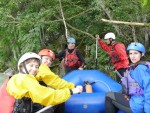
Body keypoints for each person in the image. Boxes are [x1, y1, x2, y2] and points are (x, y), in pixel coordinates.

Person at [4, 52, 82, 113]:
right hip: (21, 109)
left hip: (24, 107)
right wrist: (71, 91)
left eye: (36, 67)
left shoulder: (18, 77)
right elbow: (46, 95)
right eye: (31, 65)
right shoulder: (24, 79)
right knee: (57, 103)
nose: (34, 69)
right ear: (21, 66)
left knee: (57, 103)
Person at [105, 42, 150, 113]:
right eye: (130, 53)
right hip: (135, 100)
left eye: (136, 53)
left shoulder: (141, 69)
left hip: (137, 106)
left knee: (108, 96)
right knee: (117, 93)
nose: (133, 56)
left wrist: (147, 110)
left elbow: (148, 90)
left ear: (142, 54)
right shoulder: (133, 67)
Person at [32, 49, 80, 113]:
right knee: (58, 101)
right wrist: (73, 87)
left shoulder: (40, 68)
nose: (48, 62)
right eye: (46, 59)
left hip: (36, 97)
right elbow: (56, 82)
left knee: (59, 101)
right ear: (40, 58)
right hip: (36, 102)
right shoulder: (42, 68)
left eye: (50, 60)